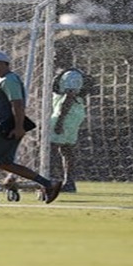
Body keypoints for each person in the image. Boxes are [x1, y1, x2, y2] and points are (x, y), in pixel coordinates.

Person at [0, 51, 62, 205]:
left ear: (1, 63)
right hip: (4, 124)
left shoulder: (9, 80)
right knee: (5, 163)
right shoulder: (3, 80)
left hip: (4, 127)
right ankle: (49, 184)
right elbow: (3, 105)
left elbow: (17, 103)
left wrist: (18, 127)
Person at [49, 48, 89, 192]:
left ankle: (54, 180)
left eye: (56, 56)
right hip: (65, 113)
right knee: (65, 148)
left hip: (67, 114)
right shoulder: (62, 74)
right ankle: (68, 182)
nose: (53, 59)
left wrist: (60, 119)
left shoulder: (71, 74)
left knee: (52, 147)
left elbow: (70, 96)